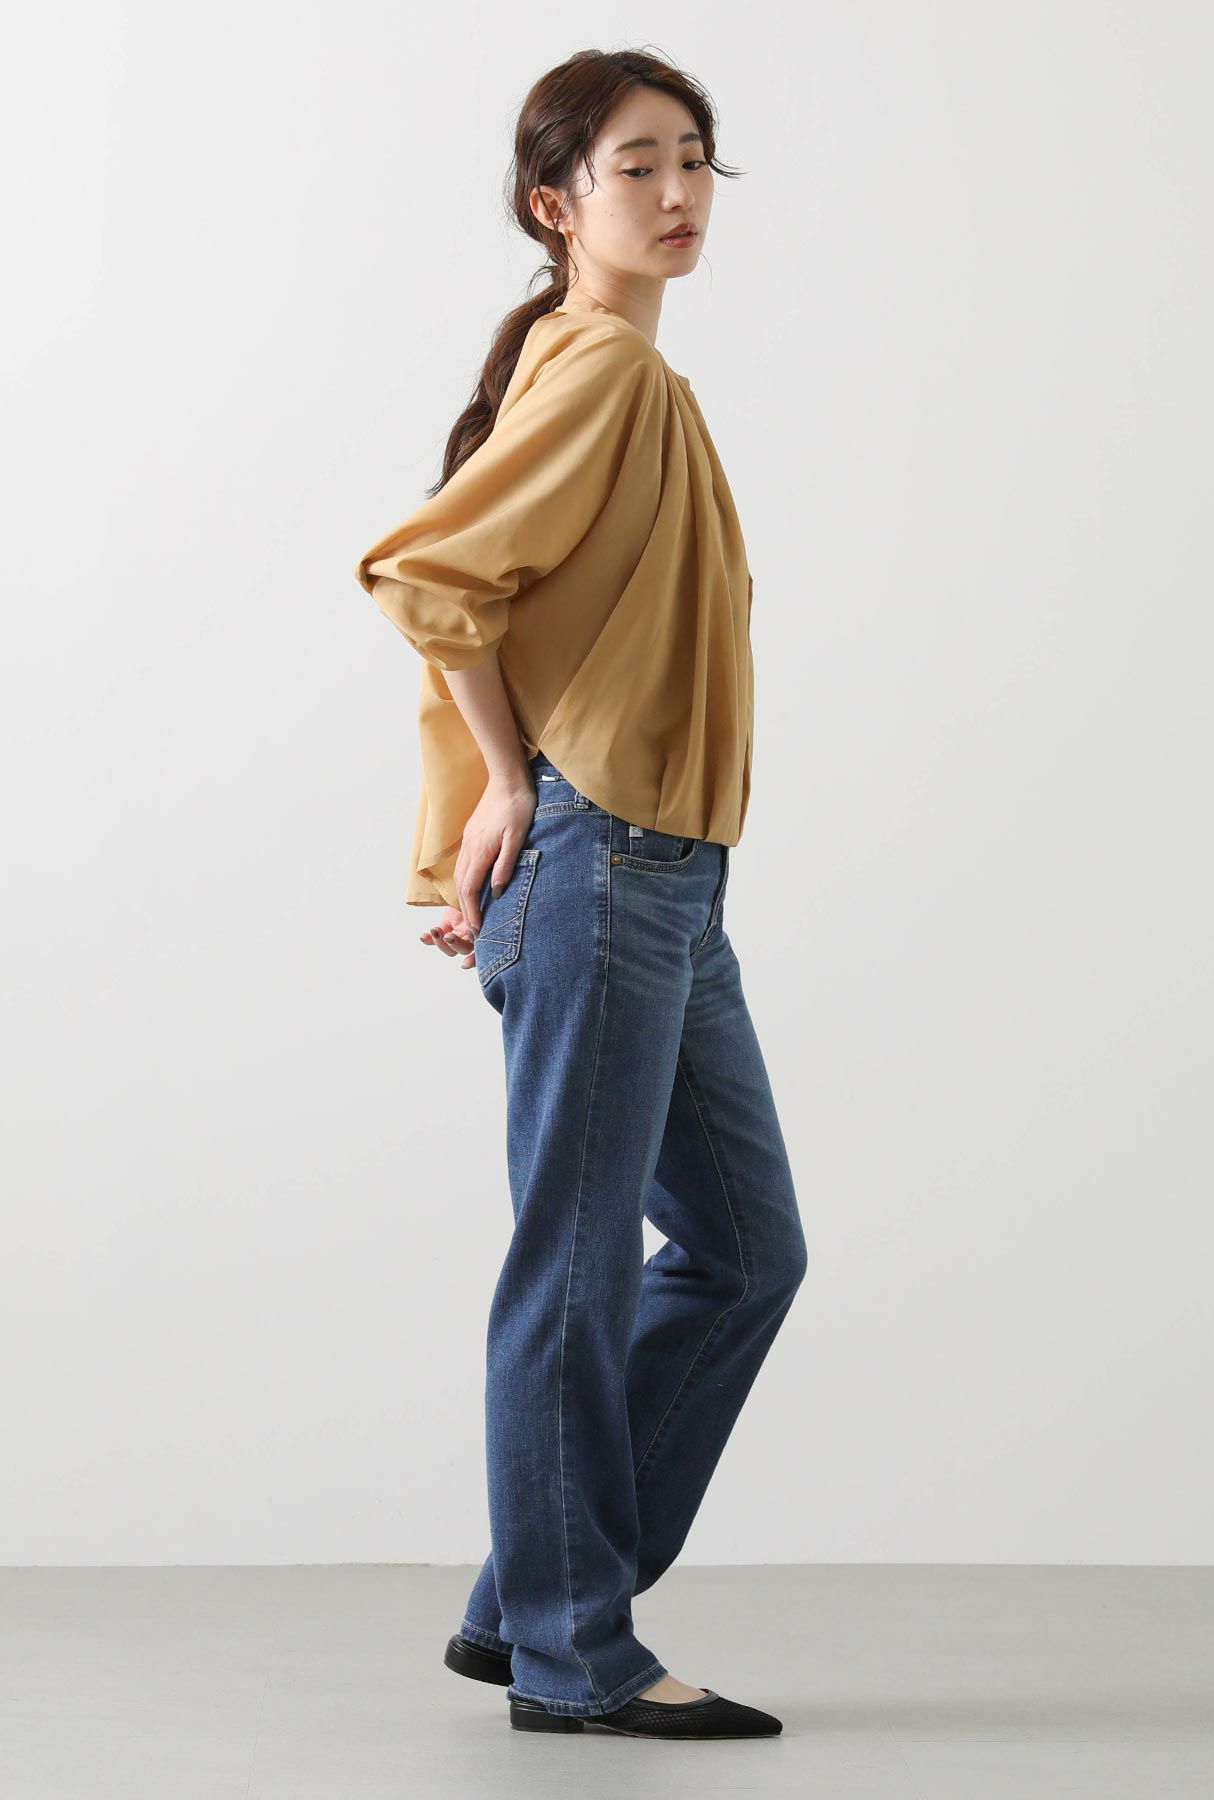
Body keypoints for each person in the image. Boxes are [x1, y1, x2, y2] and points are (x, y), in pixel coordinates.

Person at [353, 47, 808, 1744]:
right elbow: (427, 576)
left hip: (661, 878)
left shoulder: (620, 374)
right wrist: (510, 788)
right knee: (580, 1263)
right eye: (636, 166)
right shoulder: (605, 368)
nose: (679, 193)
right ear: (555, 203)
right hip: (606, 863)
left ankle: (523, 1603)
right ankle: (573, 1648)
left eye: (695, 159)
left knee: (744, 1252)